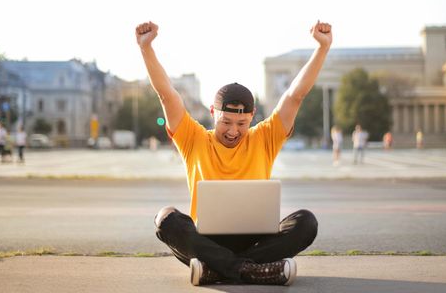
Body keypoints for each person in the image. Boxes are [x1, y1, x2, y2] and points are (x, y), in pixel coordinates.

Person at [136, 20, 331, 286]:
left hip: (253, 240)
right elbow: (166, 95)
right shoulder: (193, 138)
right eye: (225, 122)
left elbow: (295, 96)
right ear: (213, 113)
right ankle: (250, 271)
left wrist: (322, 47)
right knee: (166, 219)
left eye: (241, 123)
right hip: (205, 239)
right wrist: (146, 48)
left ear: (252, 116)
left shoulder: (265, 137)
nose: (232, 131)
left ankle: (216, 269)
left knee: (306, 222)